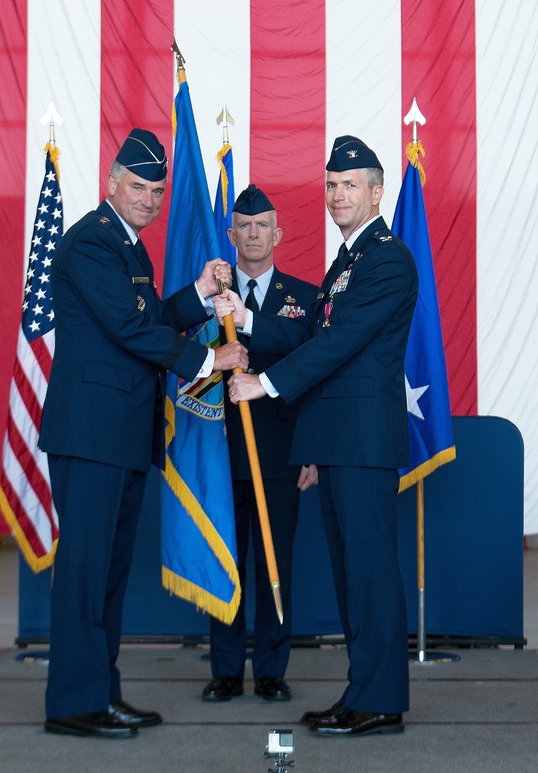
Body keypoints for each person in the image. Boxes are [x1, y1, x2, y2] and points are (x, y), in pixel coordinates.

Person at [38, 128, 247, 739]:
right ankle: (75, 704)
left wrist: (200, 294)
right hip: (91, 436)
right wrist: (211, 363)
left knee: (106, 574)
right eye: (138, 186)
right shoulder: (91, 244)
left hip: (121, 437)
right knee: (84, 573)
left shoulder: (130, 249)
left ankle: (100, 694)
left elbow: (147, 317)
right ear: (111, 184)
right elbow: (131, 334)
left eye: (158, 190)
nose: (150, 199)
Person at [223, 136, 418, 737]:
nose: (337, 195)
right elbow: (311, 327)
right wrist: (249, 317)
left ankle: (381, 701)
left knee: (371, 576)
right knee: (352, 578)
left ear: (377, 192)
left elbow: (338, 341)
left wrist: (264, 384)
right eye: (331, 185)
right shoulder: (347, 261)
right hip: (337, 441)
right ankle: (363, 692)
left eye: (350, 185)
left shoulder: (386, 258)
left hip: (361, 441)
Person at [201, 184, 318, 704]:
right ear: (231, 234)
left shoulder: (305, 298)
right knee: (227, 559)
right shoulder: (210, 298)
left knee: (277, 564)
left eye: (262, 225)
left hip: (281, 453)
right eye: (243, 226)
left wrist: (312, 447)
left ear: (278, 233)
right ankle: (226, 669)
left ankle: (271, 669)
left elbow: (313, 362)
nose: (253, 234)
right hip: (219, 453)